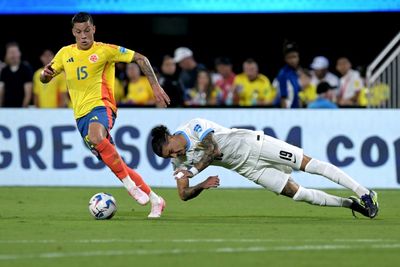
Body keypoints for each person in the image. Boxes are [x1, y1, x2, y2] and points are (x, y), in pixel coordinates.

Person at [40, 12, 170, 218]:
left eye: (87, 30)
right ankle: (155, 199)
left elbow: (140, 58)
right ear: (73, 32)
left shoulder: (105, 51)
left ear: (94, 29)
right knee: (116, 161)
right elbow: (45, 76)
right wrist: (44, 76)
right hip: (80, 117)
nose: (83, 35)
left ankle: (130, 187)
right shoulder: (65, 53)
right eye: (79, 32)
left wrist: (155, 87)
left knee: (96, 136)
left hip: (102, 107)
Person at [151, 118, 379, 219]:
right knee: (298, 194)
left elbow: (213, 150)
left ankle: (365, 193)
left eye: (170, 150)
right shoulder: (178, 162)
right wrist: (201, 184)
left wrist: (193, 172)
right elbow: (183, 194)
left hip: (256, 145)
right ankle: (350, 203)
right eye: (168, 156)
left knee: (308, 165)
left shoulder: (193, 126)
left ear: (170, 136)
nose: (174, 155)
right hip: (248, 169)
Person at [0, 42, 33, 107]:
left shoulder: (26, 69)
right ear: (6, 54)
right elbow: (1, 91)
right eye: (10, 53)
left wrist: (23, 109)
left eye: (15, 52)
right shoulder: (4, 71)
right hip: (6, 108)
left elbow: (28, 93)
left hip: (21, 108)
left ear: (19, 53)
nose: (13, 55)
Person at [274, 41, 301, 108]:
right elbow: (283, 98)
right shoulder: (283, 74)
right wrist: (285, 116)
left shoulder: (295, 73)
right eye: (289, 57)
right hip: (287, 113)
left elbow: (296, 95)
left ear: (298, 57)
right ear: (285, 59)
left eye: (294, 57)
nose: (292, 60)